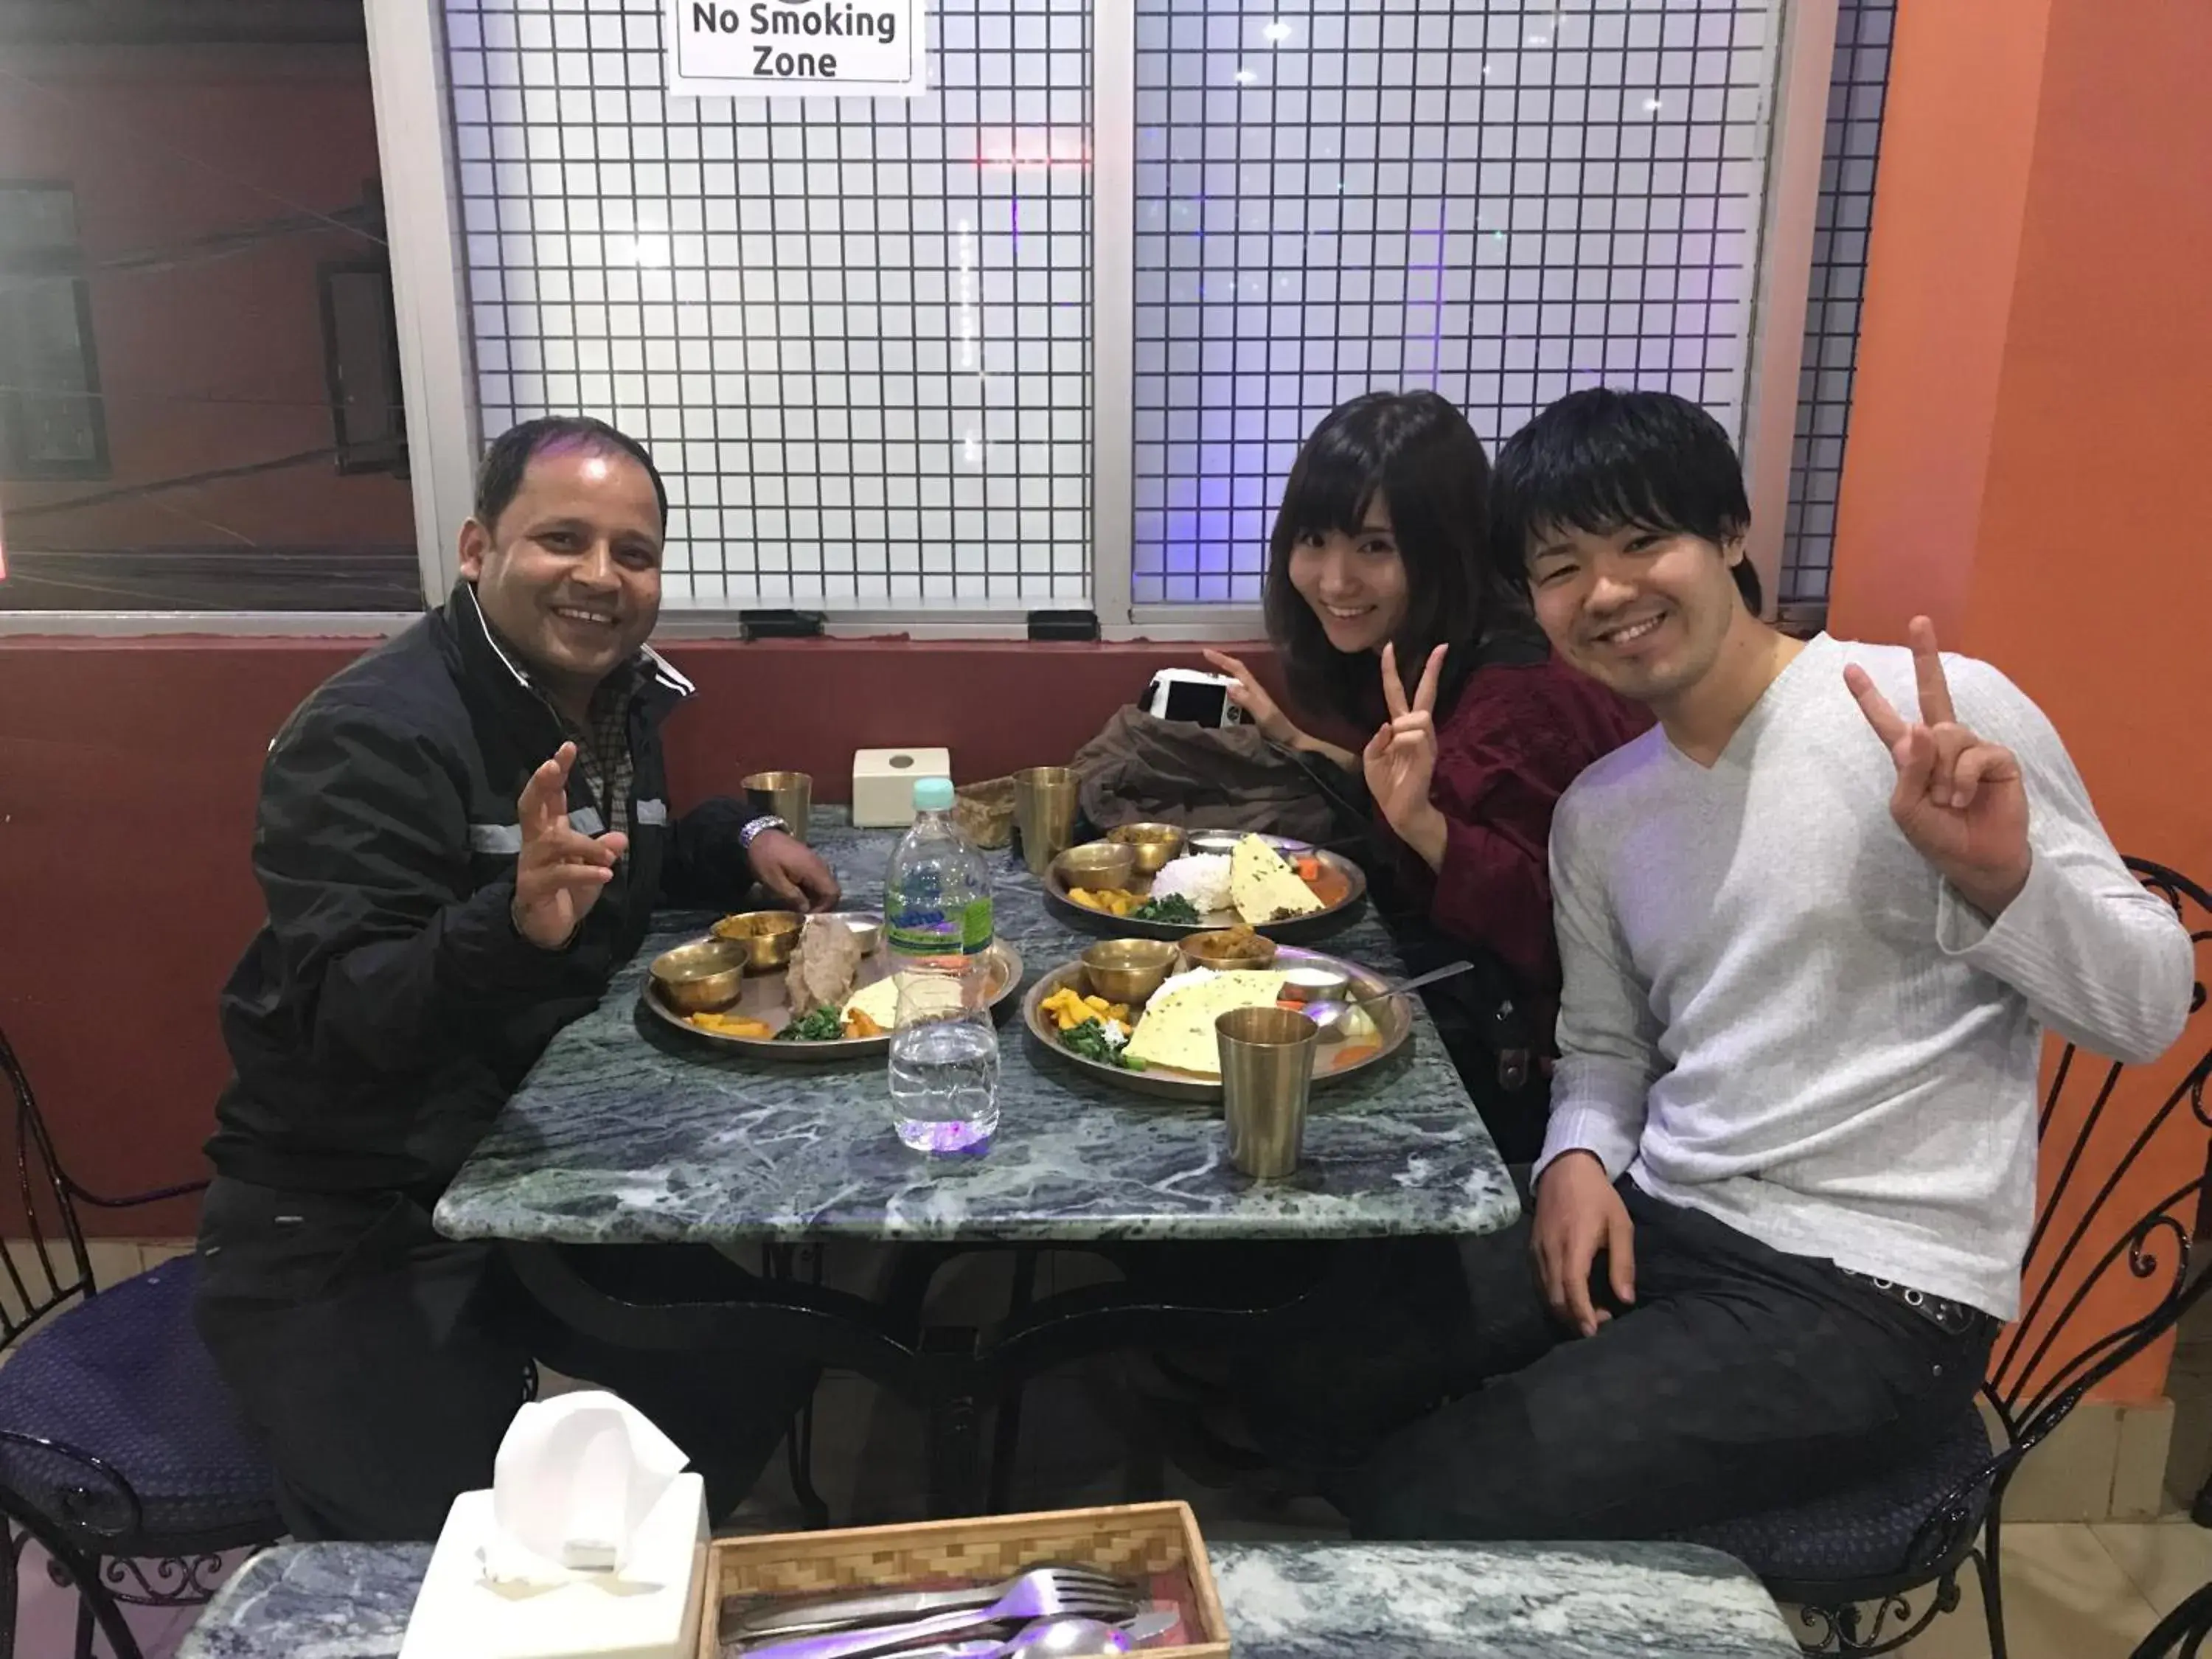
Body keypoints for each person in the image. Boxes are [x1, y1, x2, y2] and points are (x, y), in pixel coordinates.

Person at [1335, 386, 2195, 1539]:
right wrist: (1577, 1159)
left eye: (1646, 541)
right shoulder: (1606, 807)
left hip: (1872, 1288)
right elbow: (1603, 1040)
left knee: (1427, 1492)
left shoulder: (1925, 717)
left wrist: (2002, 878)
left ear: (1732, 535)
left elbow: (2148, 1008)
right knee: (1311, 1386)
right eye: (1562, 566)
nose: (1608, 592)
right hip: (1664, 1211)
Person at [194, 416, 841, 1542]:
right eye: (563, 540)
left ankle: (642, 1581)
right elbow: (344, 1010)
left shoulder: (611, 701)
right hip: (353, 1218)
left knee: (761, 1365)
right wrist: (510, 929)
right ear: (476, 549)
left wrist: (737, 837)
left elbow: (616, 860)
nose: (600, 577)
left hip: (529, 1176)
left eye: (633, 554)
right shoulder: (371, 731)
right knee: (451, 1550)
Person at [1203, 391, 1649, 1157]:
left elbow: (1562, 932)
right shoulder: (1436, 651)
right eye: (1314, 539)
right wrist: (1287, 736)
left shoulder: (1518, 697)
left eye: (1376, 547)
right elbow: (1415, 801)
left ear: (1442, 548)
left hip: (1553, 1088)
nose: (1334, 580)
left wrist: (1425, 829)